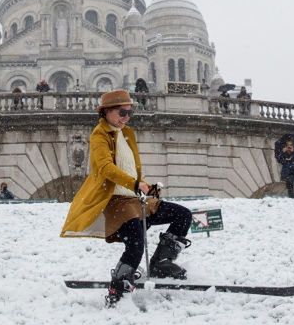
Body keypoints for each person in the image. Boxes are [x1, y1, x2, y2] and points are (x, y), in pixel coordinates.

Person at [60, 89, 194, 306]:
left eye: (129, 113)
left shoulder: (127, 133)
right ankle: (119, 287)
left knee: (182, 215)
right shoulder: (99, 135)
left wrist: (145, 187)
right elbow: (105, 168)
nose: (126, 118)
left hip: (136, 199)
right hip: (116, 203)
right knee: (135, 244)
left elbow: (130, 168)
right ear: (106, 112)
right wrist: (133, 184)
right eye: (122, 113)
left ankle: (161, 262)